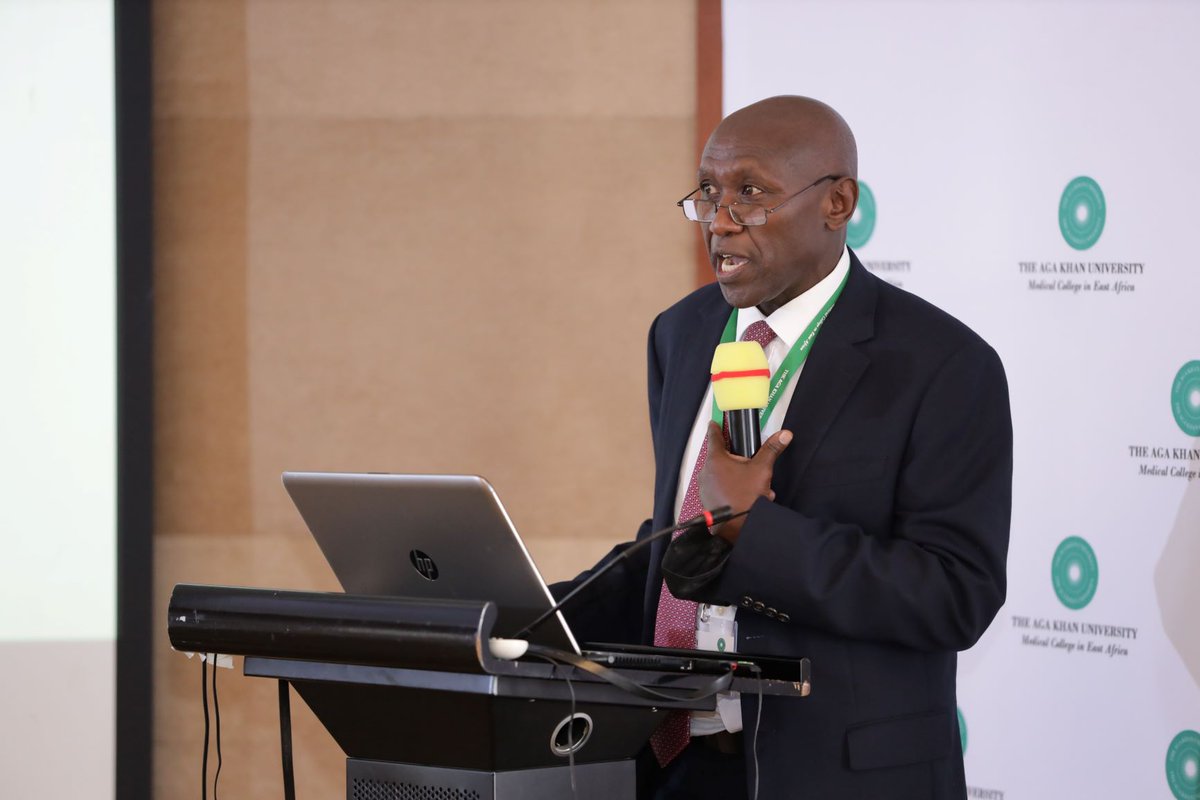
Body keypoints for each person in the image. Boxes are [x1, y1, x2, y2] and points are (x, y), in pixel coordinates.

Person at [556, 96, 1012, 799]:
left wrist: (756, 532)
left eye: (751, 192)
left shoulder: (941, 363)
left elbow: (954, 594)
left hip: (838, 777)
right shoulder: (680, 334)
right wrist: (521, 612)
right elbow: (680, 539)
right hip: (672, 762)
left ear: (837, 203)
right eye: (708, 192)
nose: (720, 218)